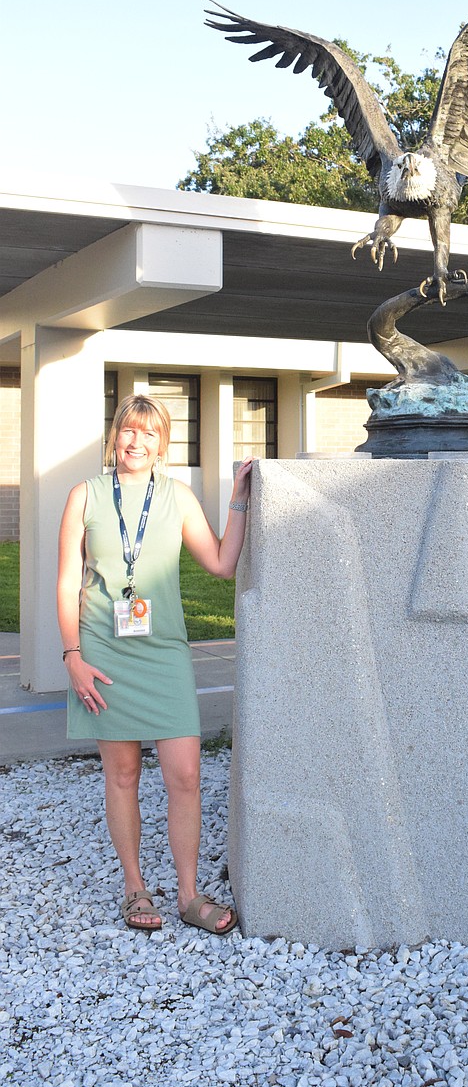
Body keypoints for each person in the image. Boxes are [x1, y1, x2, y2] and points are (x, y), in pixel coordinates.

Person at [57, 394, 253, 935]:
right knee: (121, 774)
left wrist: (238, 498)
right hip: (102, 650)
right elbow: (66, 581)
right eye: (127, 431)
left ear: (162, 444)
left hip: (165, 652)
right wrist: (72, 656)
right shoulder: (86, 496)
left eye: (148, 434)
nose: (135, 442)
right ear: (113, 436)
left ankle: (189, 895)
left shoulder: (177, 496)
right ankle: (135, 886)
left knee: (185, 776)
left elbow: (220, 562)